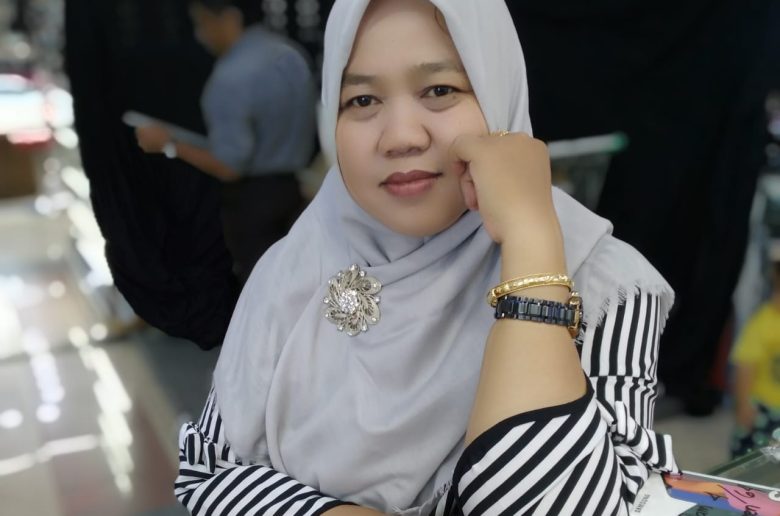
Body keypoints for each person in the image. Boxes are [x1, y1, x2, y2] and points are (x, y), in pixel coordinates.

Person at [175, 0, 678, 514]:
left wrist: (532, 247)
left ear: (499, 91)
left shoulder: (603, 284)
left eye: (440, 90)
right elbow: (207, 475)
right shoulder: (290, 268)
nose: (400, 137)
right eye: (362, 99)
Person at [135, 0, 318, 284]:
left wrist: (169, 145)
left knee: (263, 292)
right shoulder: (291, 54)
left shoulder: (230, 77)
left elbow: (230, 166)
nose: (201, 35)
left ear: (230, 18)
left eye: (203, 23)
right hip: (298, 193)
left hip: (253, 205)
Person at [731, 259, 780, 458]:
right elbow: (745, 365)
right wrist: (743, 404)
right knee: (753, 455)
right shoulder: (762, 323)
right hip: (764, 408)